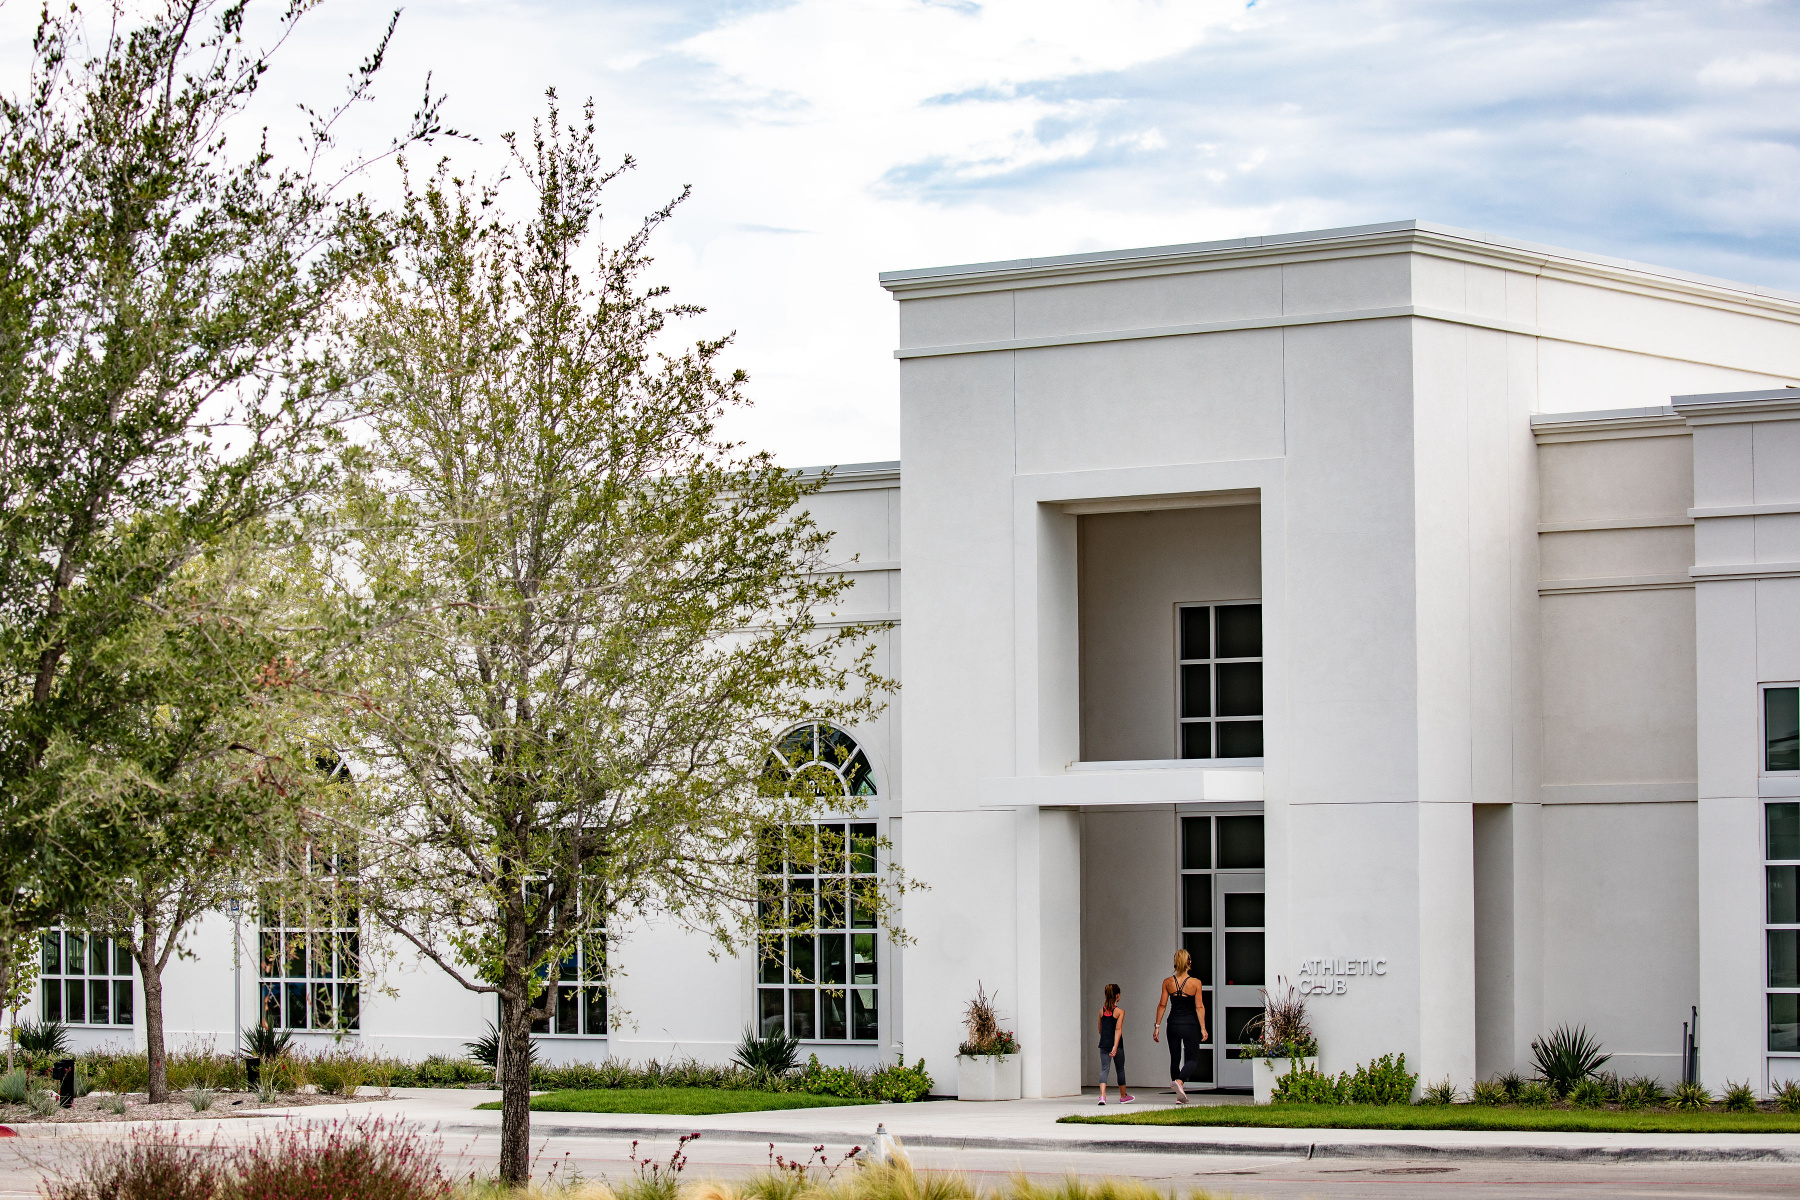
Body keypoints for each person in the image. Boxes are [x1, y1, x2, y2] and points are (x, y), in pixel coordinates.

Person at [1153, 947, 1208, 1104]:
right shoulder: (1196, 983)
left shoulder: (1168, 982)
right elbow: (1199, 1007)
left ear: (1175, 963)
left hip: (1173, 1024)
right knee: (1192, 1058)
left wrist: (1157, 1026)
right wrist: (1203, 1028)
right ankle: (1180, 1082)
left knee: (1175, 1058)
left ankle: (1179, 1094)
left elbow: (1162, 1005)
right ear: (1189, 962)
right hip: (1189, 1025)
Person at [1096, 983, 1134, 1104]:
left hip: (1104, 1044)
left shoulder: (1101, 1011)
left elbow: (1100, 1029)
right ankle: (1123, 1096)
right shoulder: (1119, 1012)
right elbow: (1118, 1029)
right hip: (1117, 1045)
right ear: (1118, 996)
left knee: (1104, 1069)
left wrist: (1106, 1040)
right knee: (1120, 1069)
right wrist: (1115, 1046)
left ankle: (1102, 1096)